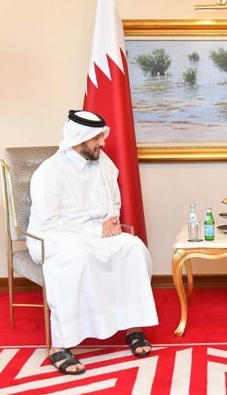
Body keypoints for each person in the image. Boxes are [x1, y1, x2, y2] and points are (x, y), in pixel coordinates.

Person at [27, 110, 159, 375]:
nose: (103, 143)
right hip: (56, 236)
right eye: (98, 137)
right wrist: (94, 230)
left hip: (99, 233)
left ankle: (133, 326)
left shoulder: (104, 164)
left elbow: (114, 202)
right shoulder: (49, 172)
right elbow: (49, 221)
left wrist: (111, 222)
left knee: (134, 248)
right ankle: (59, 345)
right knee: (77, 258)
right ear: (80, 138)